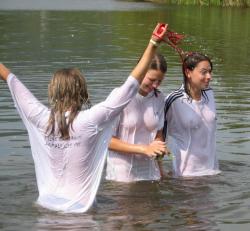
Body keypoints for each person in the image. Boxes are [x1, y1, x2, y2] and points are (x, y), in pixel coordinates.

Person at [0, 23, 168, 213]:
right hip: (80, 212)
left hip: (46, 206)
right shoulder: (90, 120)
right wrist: (153, 42)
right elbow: (130, 87)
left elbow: (12, 81)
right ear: (83, 93)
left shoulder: (41, 118)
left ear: (52, 92)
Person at [106, 52, 168, 182]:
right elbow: (107, 141)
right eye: (151, 80)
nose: (155, 85)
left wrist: (159, 146)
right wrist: (143, 149)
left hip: (150, 173)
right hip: (122, 174)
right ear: (141, 71)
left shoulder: (159, 98)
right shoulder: (119, 96)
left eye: (159, 81)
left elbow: (158, 134)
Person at [163, 52, 221, 177]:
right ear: (188, 72)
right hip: (186, 176)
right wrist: (160, 171)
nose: (209, 76)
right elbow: (158, 136)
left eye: (210, 72)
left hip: (213, 172)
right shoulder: (174, 100)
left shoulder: (210, 94)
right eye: (204, 72)